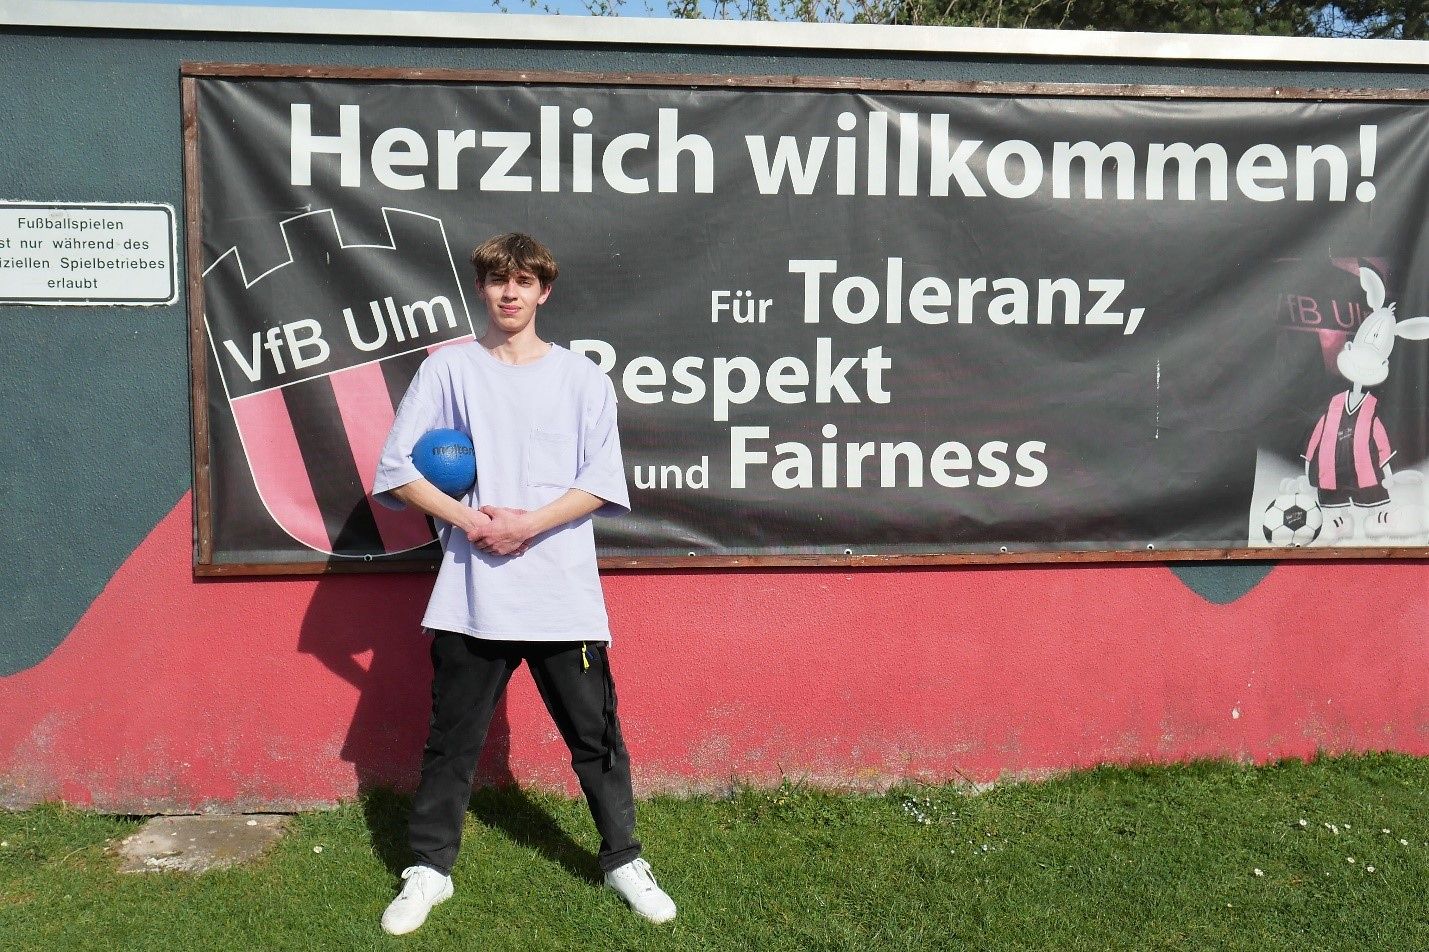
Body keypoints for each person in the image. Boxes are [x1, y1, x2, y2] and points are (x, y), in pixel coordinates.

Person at [371, 232, 675, 935]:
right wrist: (472, 521)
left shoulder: (582, 379)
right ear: (482, 289)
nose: (510, 292)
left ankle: (623, 860)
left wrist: (526, 526)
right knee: (452, 742)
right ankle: (429, 871)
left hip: (560, 595)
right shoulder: (449, 372)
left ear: (544, 291)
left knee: (595, 738)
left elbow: (600, 482)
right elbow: (396, 469)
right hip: (473, 595)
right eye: (498, 280)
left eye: (524, 281)